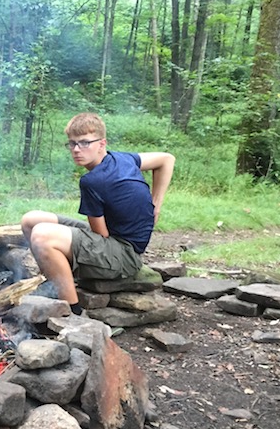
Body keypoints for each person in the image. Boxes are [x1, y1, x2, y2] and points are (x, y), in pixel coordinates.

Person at [21, 112, 175, 317]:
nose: (76, 149)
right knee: (31, 220)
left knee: (42, 235)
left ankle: (71, 311)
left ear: (102, 143)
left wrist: (156, 204)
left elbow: (100, 236)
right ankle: (55, 280)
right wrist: (157, 203)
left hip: (123, 256)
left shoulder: (93, 182)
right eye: (72, 143)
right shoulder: (123, 158)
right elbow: (166, 159)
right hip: (114, 238)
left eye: (85, 143)